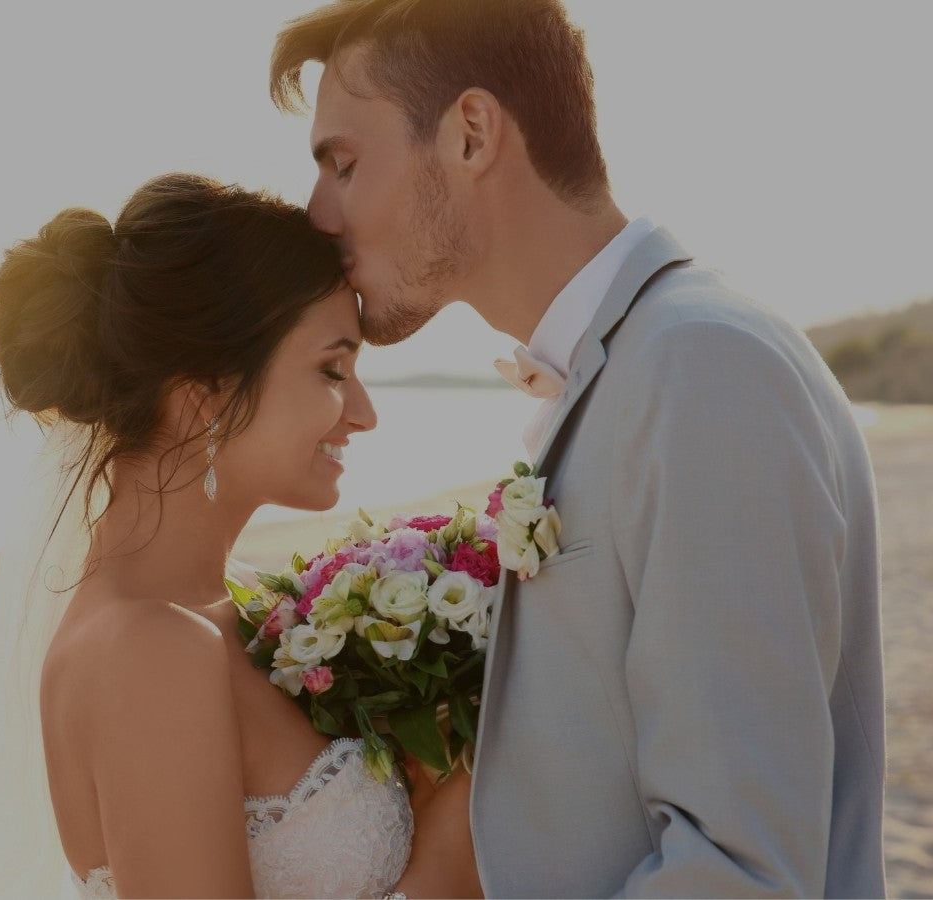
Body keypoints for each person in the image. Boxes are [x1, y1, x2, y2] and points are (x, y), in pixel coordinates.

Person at [270, 1, 886, 896]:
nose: (319, 212)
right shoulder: (639, 363)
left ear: (472, 134)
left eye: (343, 163)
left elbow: (740, 869)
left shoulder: (701, 368)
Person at [0, 173, 466, 898]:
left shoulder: (245, 613)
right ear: (202, 396)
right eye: (332, 368)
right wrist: (445, 873)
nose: (362, 413)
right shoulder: (144, 648)